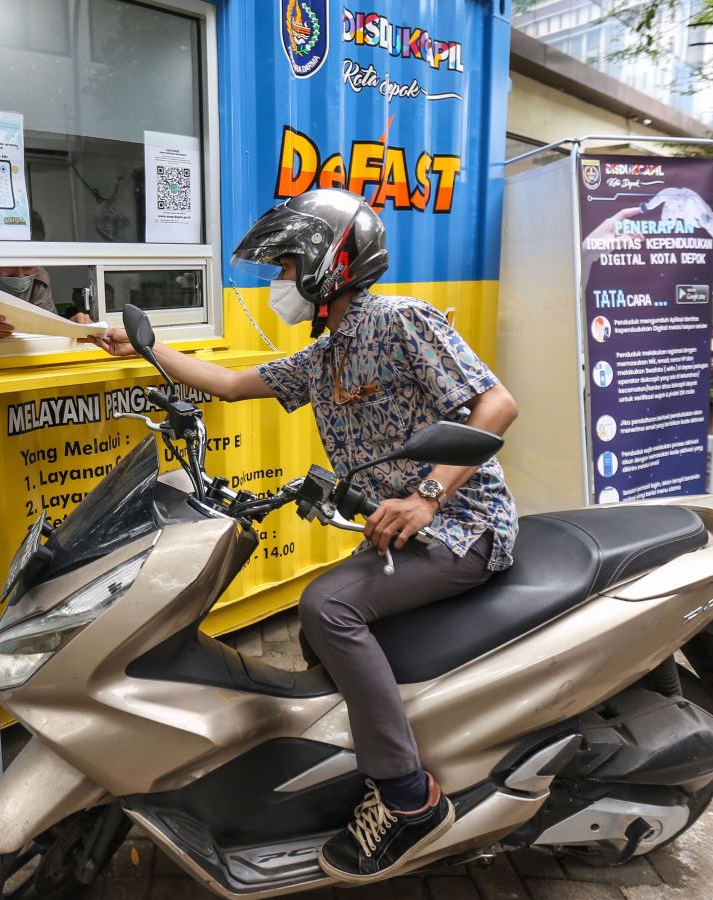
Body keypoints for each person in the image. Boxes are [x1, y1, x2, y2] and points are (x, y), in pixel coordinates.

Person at [88, 189, 519, 883]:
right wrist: (141, 345)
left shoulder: (402, 321)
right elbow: (229, 385)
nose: (278, 283)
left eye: (286, 267)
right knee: (323, 630)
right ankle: (367, 754)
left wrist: (428, 496)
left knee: (326, 607)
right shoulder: (324, 358)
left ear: (328, 266)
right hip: (393, 532)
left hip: (462, 527)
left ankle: (410, 798)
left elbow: (496, 403)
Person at [0, 266, 92, 340]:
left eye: (27, 265)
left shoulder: (39, 279)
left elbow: (46, 329)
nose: (20, 275)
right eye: (8, 264)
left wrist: (72, 328)